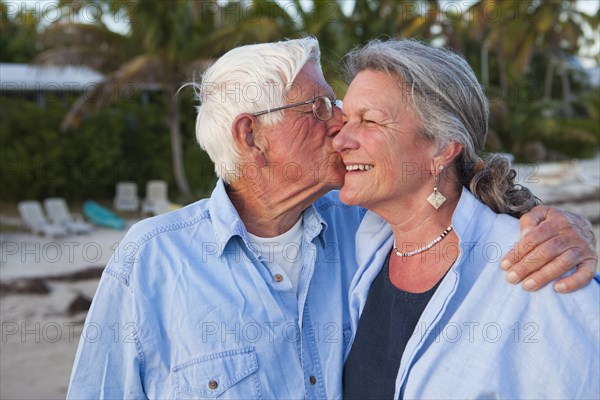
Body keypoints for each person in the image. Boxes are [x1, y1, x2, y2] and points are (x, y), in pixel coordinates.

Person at [67, 38, 597, 398]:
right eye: (319, 109)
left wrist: (559, 222)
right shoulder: (154, 260)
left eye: (350, 111)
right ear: (251, 136)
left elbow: (444, 173)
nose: (340, 124)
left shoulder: (363, 229)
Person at [335, 39, 599, 399]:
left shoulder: (536, 267)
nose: (341, 140)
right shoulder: (357, 241)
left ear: (442, 148)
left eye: (369, 121)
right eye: (345, 118)